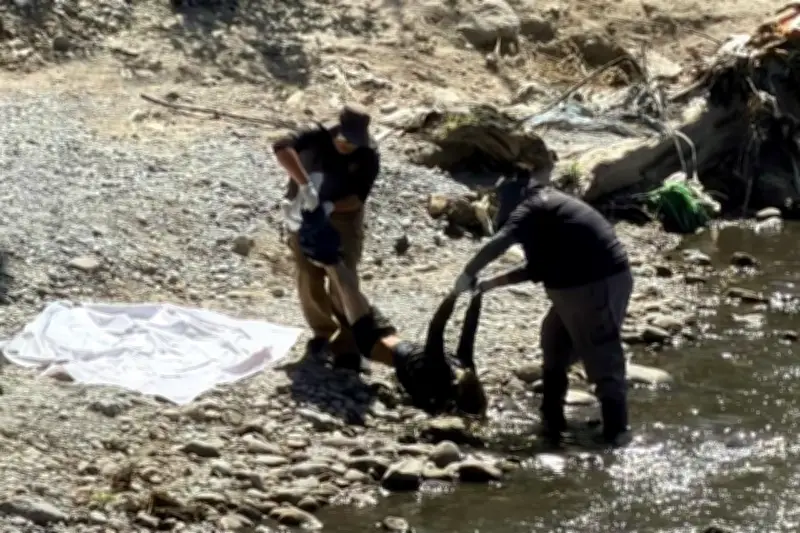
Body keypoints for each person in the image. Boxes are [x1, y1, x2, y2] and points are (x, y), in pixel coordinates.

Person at [451, 181, 634, 447]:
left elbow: (498, 243)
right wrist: (488, 284)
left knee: (601, 354)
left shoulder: (532, 208)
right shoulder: (551, 219)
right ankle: (552, 420)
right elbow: (536, 269)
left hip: (596, 283)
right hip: (574, 287)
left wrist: (467, 273)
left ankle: (616, 435)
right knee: (554, 341)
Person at [297, 206, 487, 416]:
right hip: (387, 333)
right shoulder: (451, 368)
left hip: (370, 341)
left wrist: (454, 296)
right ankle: (321, 240)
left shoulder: (441, 371)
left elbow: (438, 327)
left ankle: (320, 241)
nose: (460, 369)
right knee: (345, 290)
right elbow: (469, 330)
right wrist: (477, 297)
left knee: (345, 287)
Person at [272, 104, 380, 369]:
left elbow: (357, 198)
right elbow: (281, 147)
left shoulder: (368, 155)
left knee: (343, 276)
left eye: (354, 143)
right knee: (308, 274)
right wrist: (306, 188)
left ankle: (348, 341)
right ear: (336, 132)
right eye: (344, 140)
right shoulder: (314, 136)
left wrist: (328, 207)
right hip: (303, 210)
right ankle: (322, 332)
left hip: (343, 215)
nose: (347, 146)